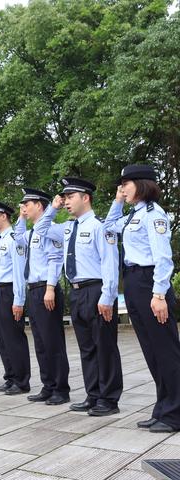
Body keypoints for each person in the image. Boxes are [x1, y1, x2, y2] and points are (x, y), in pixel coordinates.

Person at [34, 177, 123, 416]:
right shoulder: (67, 227)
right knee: (87, 348)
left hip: (97, 290)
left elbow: (110, 264)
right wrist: (52, 207)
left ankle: (109, 398)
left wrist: (107, 296)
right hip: (76, 292)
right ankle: (93, 394)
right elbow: (40, 229)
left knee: (104, 346)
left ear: (86, 198)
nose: (65, 202)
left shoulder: (100, 226)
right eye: (64, 198)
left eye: (70, 197)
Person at [104, 165, 180, 432]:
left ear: (142, 184)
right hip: (134, 283)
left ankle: (175, 414)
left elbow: (162, 258)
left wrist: (159, 294)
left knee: (167, 352)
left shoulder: (154, 215)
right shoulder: (132, 215)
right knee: (151, 352)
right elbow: (109, 227)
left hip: (151, 284)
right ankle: (163, 408)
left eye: (126, 183)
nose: (122, 188)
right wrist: (116, 201)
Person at [14, 188, 70, 405]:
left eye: (27, 204)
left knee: (53, 341)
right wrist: (20, 217)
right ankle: (48, 385)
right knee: (40, 341)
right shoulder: (30, 234)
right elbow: (17, 238)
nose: (24, 208)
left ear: (40, 205)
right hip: (33, 290)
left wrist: (50, 288)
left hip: (47, 289)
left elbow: (55, 259)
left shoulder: (51, 230)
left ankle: (60, 388)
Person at [0, 200, 31, 395]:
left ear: (4, 215)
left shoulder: (13, 239)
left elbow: (19, 272)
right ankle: (10, 377)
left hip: (9, 290)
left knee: (13, 337)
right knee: (1, 338)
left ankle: (21, 380)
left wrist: (19, 300)